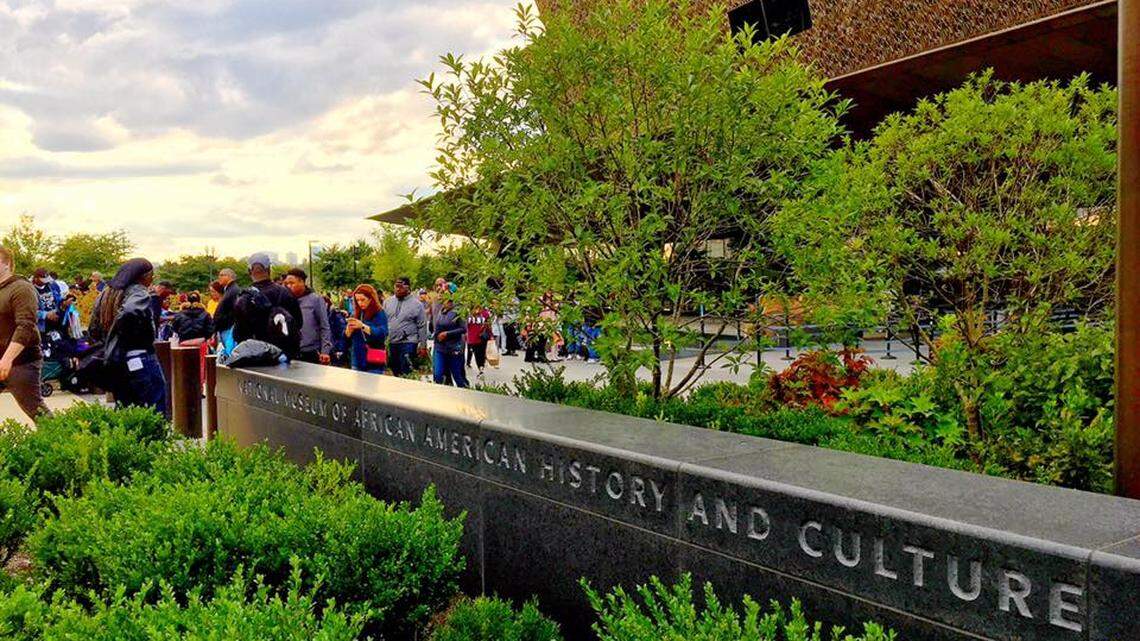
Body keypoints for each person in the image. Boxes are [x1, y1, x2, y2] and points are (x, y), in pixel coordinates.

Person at [89, 258, 166, 415]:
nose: (152, 280)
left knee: (125, 409)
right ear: (143, 276)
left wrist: (111, 342)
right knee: (154, 408)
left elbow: (93, 329)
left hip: (116, 362)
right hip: (140, 357)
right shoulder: (139, 292)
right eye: (152, 275)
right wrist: (118, 336)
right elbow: (131, 311)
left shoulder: (106, 294)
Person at [0, 246, 51, 420]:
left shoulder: (21, 288)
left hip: (21, 362)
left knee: (36, 411)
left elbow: (26, 326)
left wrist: (7, 359)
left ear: (6, 263)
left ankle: (69, 442)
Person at [233, 253, 303, 359]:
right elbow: (298, 322)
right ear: (269, 269)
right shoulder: (285, 293)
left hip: (256, 357)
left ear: (249, 272)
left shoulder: (244, 299)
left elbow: (239, 335)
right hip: (285, 354)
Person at [284, 268, 332, 365]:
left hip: (311, 352)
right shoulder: (285, 300)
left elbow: (325, 326)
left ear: (302, 282)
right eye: (286, 284)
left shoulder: (315, 299)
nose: (288, 286)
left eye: (292, 283)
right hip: (291, 353)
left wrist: (325, 351)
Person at [382, 276, 428, 377]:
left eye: (400, 286)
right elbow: (383, 321)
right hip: (392, 342)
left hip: (409, 341)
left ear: (408, 288)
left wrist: (423, 346)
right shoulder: (387, 302)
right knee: (395, 369)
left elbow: (422, 326)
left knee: (406, 370)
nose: (397, 289)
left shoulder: (417, 304)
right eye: (396, 286)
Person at [346, 284, 388, 374]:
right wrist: (348, 331)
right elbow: (347, 338)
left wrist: (363, 326)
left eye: (363, 300)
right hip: (357, 359)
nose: (360, 303)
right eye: (357, 300)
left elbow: (383, 333)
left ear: (371, 299)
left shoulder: (379, 313)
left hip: (374, 359)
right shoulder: (356, 313)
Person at [432, 296, 468, 388]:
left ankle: (465, 392)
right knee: (438, 374)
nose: (447, 303)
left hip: (454, 348)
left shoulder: (458, 312)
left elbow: (463, 329)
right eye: (445, 301)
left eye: (449, 301)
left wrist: (447, 334)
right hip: (440, 348)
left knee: (457, 375)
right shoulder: (441, 312)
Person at [466, 303, 492, 378]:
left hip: (480, 338)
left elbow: (488, 326)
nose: (477, 310)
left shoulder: (484, 314)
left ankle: (481, 369)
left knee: (480, 354)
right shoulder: (470, 317)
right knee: (478, 354)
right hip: (474, 339)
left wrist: (491, 335)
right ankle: (480, 368)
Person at [32, 268, 61, 333]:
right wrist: (46, 315)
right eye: (43, 280)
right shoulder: (30, 290)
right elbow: (29, 311)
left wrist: (63, 303)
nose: (45, 282)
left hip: (55, 320)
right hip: (42, 325)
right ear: (36, 279)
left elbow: (58, 299)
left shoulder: (51, 286)